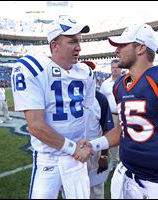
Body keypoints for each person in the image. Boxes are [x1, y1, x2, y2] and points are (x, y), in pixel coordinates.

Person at [77, 23, 158, 198]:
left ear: (140, 48)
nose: (117, 50)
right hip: (125, 175)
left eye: (123, 45)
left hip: (157, 184)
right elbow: (124, 129)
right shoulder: (120, 86)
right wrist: (94, 144)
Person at [11, 15, 95, 199]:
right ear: (55, 45)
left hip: (77, 157)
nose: (79, 47)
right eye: (72, 41)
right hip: (50, 158)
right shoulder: (32, 68)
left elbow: (86, 113)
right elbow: (36, 126)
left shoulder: (86, 73)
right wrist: (74, 148)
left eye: (80, 41)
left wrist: (84, 143)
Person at [82, 60, 114, 199]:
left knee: (95, 190)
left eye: (90, 72)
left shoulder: (99, 98)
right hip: (71, 150)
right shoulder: (66, 98)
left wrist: (103, 155)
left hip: (93, 150)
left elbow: (107, 130)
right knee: (75, 190)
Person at [99, 58, 122, 170]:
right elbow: (102, 100)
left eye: (117, 67)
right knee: (112, 138)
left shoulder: (126, 81)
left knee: (126, 138)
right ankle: (114, 161)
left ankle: (124, 162)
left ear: (121, 68)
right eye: (113, 67)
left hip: (124, 115)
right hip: (111, 114)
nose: (115, 69)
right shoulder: (105, 83)